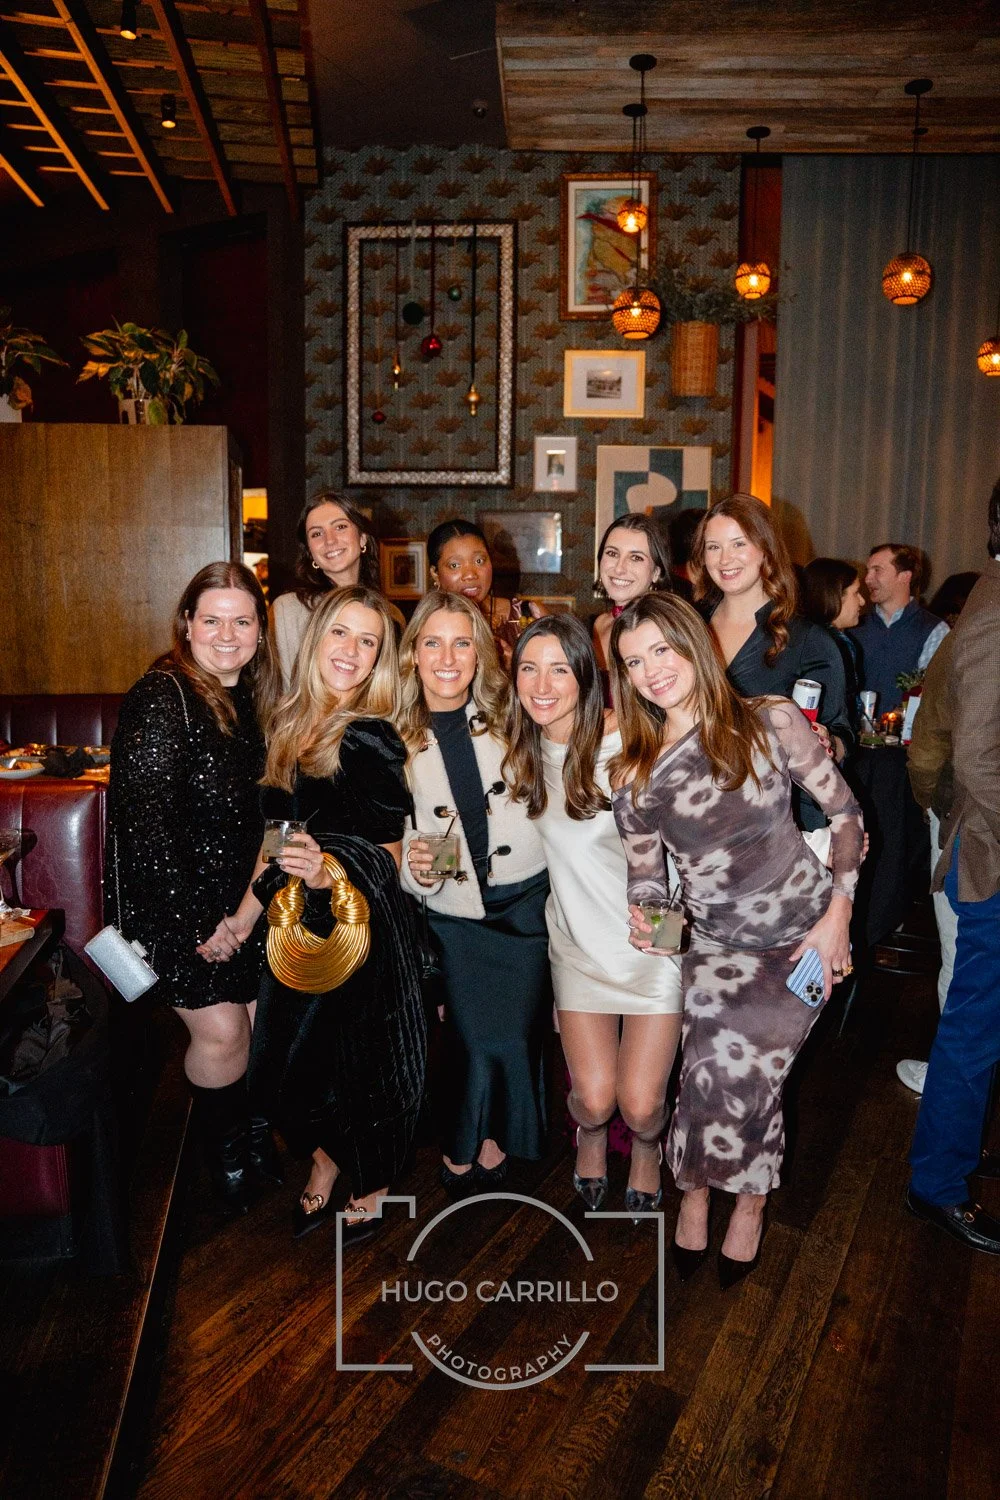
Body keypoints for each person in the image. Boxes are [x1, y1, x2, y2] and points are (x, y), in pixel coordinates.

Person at [610, 594, 863, 1286]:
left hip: (805, 934)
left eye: (662, 649)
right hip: (716, 947)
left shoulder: (772, 719)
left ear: (692, 643)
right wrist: (652, 924)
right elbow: (646, 881)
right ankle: (694, 1195)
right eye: (634, 662)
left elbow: (844, 816)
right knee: (701, 1081)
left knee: (752, 1079)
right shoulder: (634, 775)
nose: (652, 671)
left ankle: (747, 1202)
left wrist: (838, 912)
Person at [206, 586, 425, 1245]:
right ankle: (328, 1155)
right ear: (316, 639)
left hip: (362, 930)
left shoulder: (372, 736)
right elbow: (277, 839)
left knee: (364, 1066)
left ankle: (371, 1181)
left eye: (368, 642)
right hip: (295, 926)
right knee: (288, 1070)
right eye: (341, 634)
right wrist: (243, 917)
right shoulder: (289, 723)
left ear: (381, 658)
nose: (351, 652)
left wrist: (329, 871)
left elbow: (387, 857)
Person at [106, 562, 282, 1210]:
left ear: (260, 631)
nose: (227, 634)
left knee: (263, 1032)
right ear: (187, 624)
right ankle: (225, 1162)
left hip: (247, 908)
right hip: (178, 910)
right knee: (222, 1035)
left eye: (242, 621)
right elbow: (143, 828)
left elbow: (271, 819)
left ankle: (255, 1141)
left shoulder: (254, 699)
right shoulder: (164, 696)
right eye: (212, 620)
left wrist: (245, 914)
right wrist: (202, 923)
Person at [504, 614, 683, 1213]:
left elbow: (681, 852)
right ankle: (589, 1134)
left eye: (559, 668)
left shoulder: (630, 747)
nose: (542, 683)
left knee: (641, 1106)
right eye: (528, 668)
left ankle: (648, 1149)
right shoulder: (521, 756)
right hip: (578, 946)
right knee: (595, 1099)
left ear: (587, 676)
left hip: (651, 948)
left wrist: (671, 935)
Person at [398, 590, 550, 1195]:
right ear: (411, 654)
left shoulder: (515, 714)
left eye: (462, 642)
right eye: (432, 642)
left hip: (525, 904)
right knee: (467, 1032)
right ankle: (463, 1137)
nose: (447, 657)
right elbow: (393, 838)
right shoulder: (388, 734)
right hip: (455, 913)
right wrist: (415, 870)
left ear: (480, 653)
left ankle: (496, 1136)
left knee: (513, 1033)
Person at [906, 481, 1000, 1255]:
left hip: (979, 843)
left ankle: (951, 1159)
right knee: (974, 1025)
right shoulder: (995, 614)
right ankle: (938, 1182)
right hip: (993, 858)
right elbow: (968, 757)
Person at [690, 494, 853, 853]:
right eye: (713, 547)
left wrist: (829, 741)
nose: (724, 559)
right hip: (697, 816)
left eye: (738, 544)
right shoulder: (689, 627)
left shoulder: (809, 639)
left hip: (780, 826)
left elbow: (842, 733)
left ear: (765, 549)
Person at [897, 629, 958, 1094]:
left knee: (960, 951)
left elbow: (929, 742)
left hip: (969, 819)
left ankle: (949, 1075)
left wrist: (931, 803)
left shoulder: (977, 626)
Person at [270, 491, 403, 688]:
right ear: (309, 551)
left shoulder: (391, 614)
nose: (329, 540)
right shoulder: (288, 610)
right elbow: (284, 691)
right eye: (316, 534)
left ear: (362, 539)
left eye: (340, 527)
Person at [849, 543, 948, 717]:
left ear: (904, 576)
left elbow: (932, 695)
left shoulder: (934, 630)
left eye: (877, 570)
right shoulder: (855, 626)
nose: (867, 578)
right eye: (868, 570)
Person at [426, 518, 542, 664]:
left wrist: (517, 668)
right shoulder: (426, 627)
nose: (470, 574)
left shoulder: (529, 615)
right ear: (435, 573)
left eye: (479, 561)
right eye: (455, 565)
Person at [592, 512, 672, 678]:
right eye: (612, 554)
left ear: (656, 573)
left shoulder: (665, 629)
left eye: (635, 557)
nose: (619, 568)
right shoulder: (601, 623)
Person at [800, 557, 865, 732]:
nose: (862, 601)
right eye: (856, 593)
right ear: (834, 595)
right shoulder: (832, 644)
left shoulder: (799, 635)